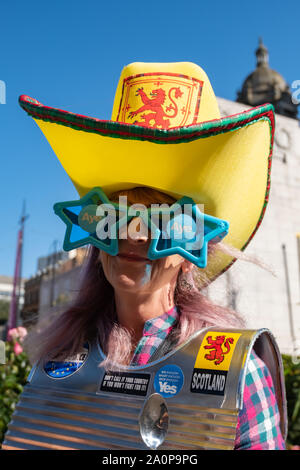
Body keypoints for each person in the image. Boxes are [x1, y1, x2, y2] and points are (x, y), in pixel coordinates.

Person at [5, 62, 287, 450]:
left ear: (193, 252)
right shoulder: (56, 362)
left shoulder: (238, 373)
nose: (132, 236)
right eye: (114, 217)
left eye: (161, 222)